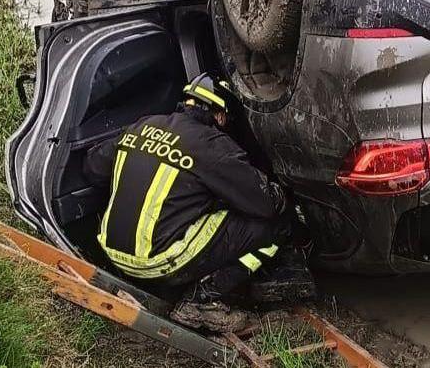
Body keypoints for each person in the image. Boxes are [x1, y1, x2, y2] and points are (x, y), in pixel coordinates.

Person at [83, 73, 315, 331]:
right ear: (220, 115)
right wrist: (286, 196)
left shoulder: (143, 125)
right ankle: (200, 302)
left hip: (112, 253)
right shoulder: (213, 145)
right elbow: (265, 204)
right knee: (275, 225)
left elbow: (93, 168)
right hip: (157, 262)